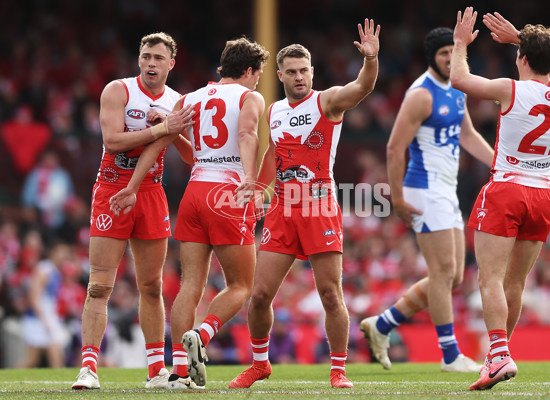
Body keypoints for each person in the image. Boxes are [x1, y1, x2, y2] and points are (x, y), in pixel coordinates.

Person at [109, 37, 270, 389]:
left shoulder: (190, 99)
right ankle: (202, 332)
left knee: (190, 285)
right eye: (258, 74)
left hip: (194, 193)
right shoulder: (249, 96)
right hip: (226, 192)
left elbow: (165, 143)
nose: (258, 81)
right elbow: (245, 133)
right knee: (241, 285)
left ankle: (181, 373)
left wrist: (133, 186)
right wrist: (249, 177)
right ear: (248, 71)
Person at [228, 19, 380, 389]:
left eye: (304, 70)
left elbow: (362, 87)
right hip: (282, 208)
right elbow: (272, 155)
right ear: (280, 74)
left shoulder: (327, 101)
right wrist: (255, 186)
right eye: (292, 72)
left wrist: (371, 60)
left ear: (313, 72)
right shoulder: (275, 111)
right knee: (260, 294)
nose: (299, 77)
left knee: (330, 293)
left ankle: (338, 370)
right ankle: (260, 364)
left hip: (318, 204)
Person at [450, 8, 550, 390]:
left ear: (521, 58)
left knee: (488, 278)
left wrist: (459, 43)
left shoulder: (510, 88)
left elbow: (458, 77)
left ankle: (500, 354)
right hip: (543, 192)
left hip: (507, 187)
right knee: (515, 283)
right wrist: (523, 36)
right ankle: (498, 355)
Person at [359, 26, 494, 372]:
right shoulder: (421, 94)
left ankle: (383, 324)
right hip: (423, 187)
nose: (450, 59)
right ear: (432, 58)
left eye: (454, 52)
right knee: (442, 271)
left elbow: (468, 135)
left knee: (453, 278)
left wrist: (500, 164)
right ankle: (450, 355)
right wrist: (398, 199)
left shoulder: (458, 89)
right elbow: (393, 148)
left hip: (445, 189)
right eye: (443, 53)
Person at [72, 32, 195, 390]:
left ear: (171, 63)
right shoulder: (118, 90)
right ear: (138, 59)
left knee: (152, 286)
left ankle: (156, 370)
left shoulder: (178, 101)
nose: (151, 63)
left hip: (151, 193)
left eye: (158, 57)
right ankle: (89, 368)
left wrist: (176, 129)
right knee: (99, 286)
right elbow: (112, 141)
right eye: (145, 56)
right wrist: (161, 127)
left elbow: (190, 157)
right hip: (112, 189)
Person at [18, 240, 71, 368]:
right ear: (53, 252)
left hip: (47, 317)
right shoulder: (44, 269)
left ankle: (61, 383)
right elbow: (33, 297)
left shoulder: (56, 271)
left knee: (56, 355)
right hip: (37, 319)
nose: (64, 255)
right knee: (32, 360)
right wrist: (44, 320)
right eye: (61, 251)